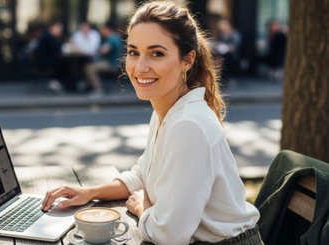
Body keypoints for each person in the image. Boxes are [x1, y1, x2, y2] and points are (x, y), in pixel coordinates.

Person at [41, 1, 262, 244]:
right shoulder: (167, 109)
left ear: (187, 61)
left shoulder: (187, 124)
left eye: (157, 53)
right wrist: (89, 193)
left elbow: (169, 235)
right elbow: (143, 174)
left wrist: (142, 208)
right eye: (134, 52)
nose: (140, 67)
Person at [84, 22, 122, 98]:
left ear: (107, 29)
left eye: (102, 29)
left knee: (89, 68)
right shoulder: (117, 36)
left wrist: (96, 51)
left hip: (111, 64)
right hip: (116, 63)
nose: (101, 31)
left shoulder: (111, 38)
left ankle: (98, 89)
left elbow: (104, 50)